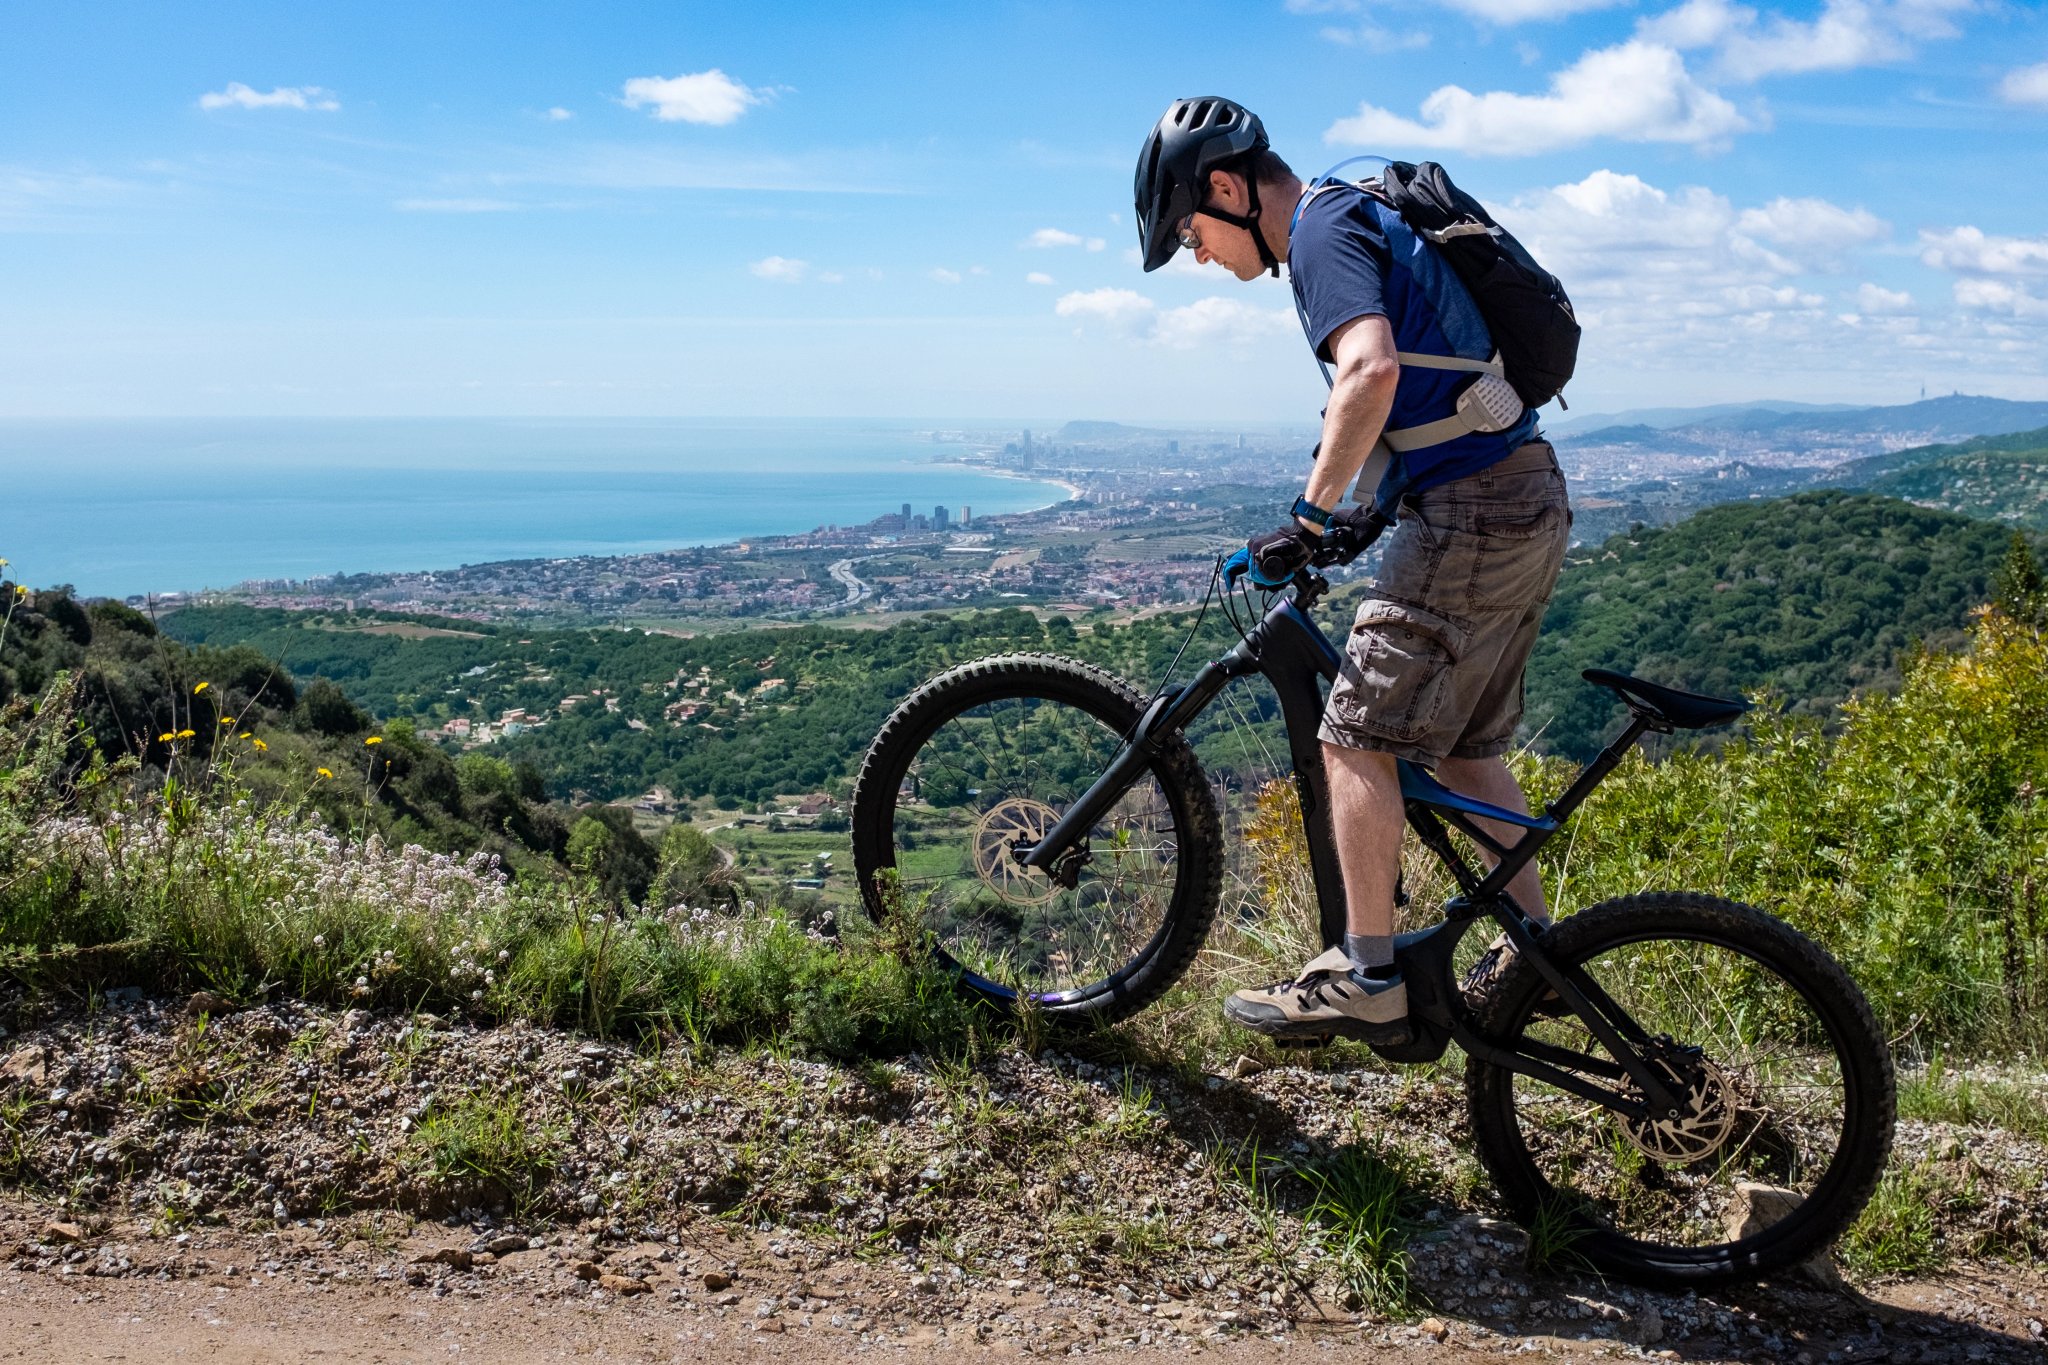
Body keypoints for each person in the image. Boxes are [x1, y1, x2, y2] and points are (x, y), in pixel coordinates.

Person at [1133, 96, 1572, 1044]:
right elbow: (1423, 394)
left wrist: (1309, 515)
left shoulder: (1324, 226)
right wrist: (1350, 523)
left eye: (1191, 232)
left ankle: (1368, 971)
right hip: (1525, 494)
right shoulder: (1358, 214)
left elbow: (1368, 373)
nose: (1200, 254)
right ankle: (1533, 956)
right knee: (1464, 748)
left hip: (1474, 510)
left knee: (1353, 737)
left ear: (1225, 187)